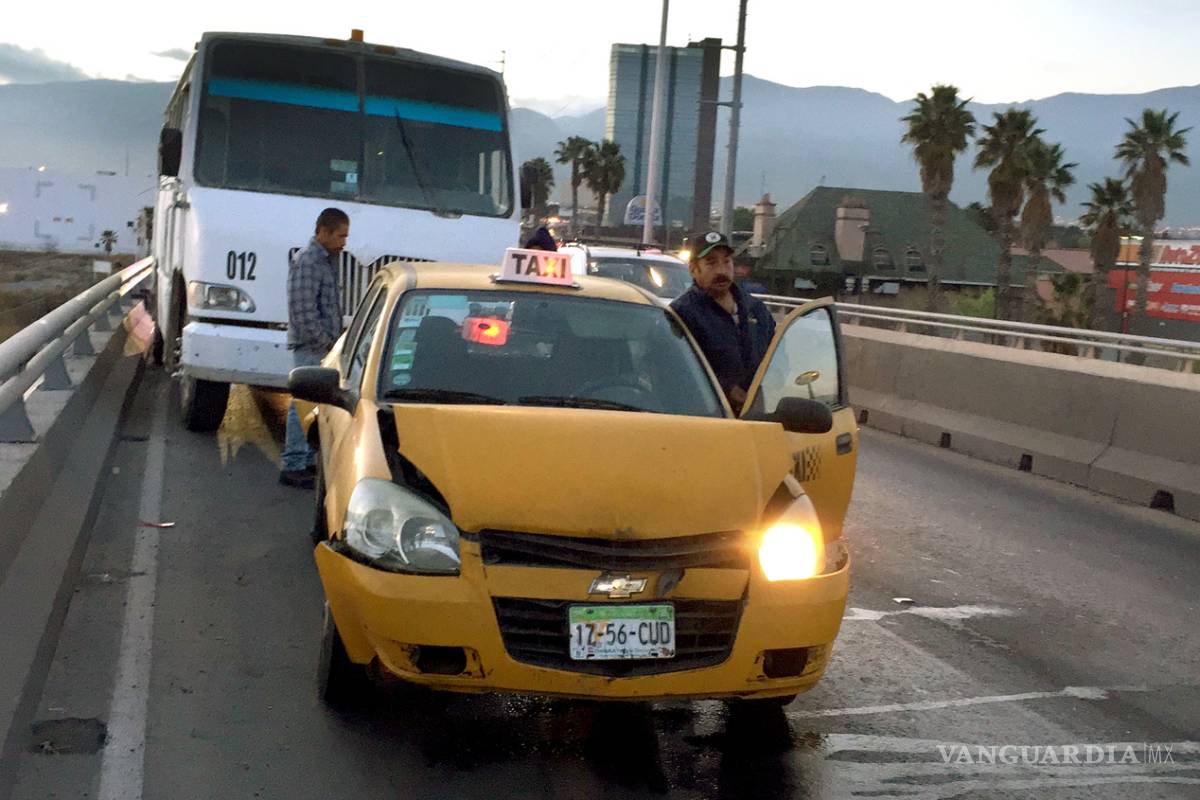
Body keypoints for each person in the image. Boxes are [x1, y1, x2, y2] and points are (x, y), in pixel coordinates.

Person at [280, 207, 349, 488]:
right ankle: (293, 464)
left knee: (312, 408)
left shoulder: (326, 260)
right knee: (302, 407)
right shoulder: (308, 263)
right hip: (312, 347)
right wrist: (327, 343)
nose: (345, 241)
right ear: (323, 232)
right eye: (341, 235)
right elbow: (303, 313)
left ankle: (306, 460)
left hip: (321, 345)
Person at [670, 231, 775, 414]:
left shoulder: (755, 308)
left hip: (755, 415)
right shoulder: (682, 313)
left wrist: (774, 380)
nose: (721, 270)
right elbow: (676, 369)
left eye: (726, 261)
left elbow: (778, 354)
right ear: (694, 270)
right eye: (711, 263)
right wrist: (726, 388)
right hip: (707, 417)